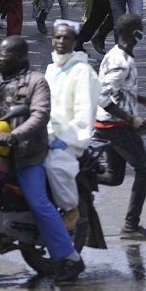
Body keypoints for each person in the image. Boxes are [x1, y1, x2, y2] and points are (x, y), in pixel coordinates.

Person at [0, 36, 86, 282]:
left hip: (25, 154)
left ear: (21, 58)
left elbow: (39, 115)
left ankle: (71, 258)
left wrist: (15, 136)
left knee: (38, 202)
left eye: (5, 55)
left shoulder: (36, 82)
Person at [95, 14, 146, 242]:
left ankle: (76, 176)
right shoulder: (120, 61)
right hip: (116, 125)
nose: (142, 35)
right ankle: (130, 226)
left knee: (114, 177)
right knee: (144, 169)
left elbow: (119, 91)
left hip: (108, 124)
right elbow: (102, 95)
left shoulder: (116, 55)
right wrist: (131, 119)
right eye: (141, 31)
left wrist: (142, 100)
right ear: (134, 33)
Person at [44, 19, 99, 223]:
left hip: (69, 138)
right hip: (45, 133)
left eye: (66, 38)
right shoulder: (51, 69)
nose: (61, 41)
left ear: (75, 41)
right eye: (57, 37)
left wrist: (65, 140)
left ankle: (70, 208)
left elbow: (84, 112)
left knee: (55, 165)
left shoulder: (83, 72)